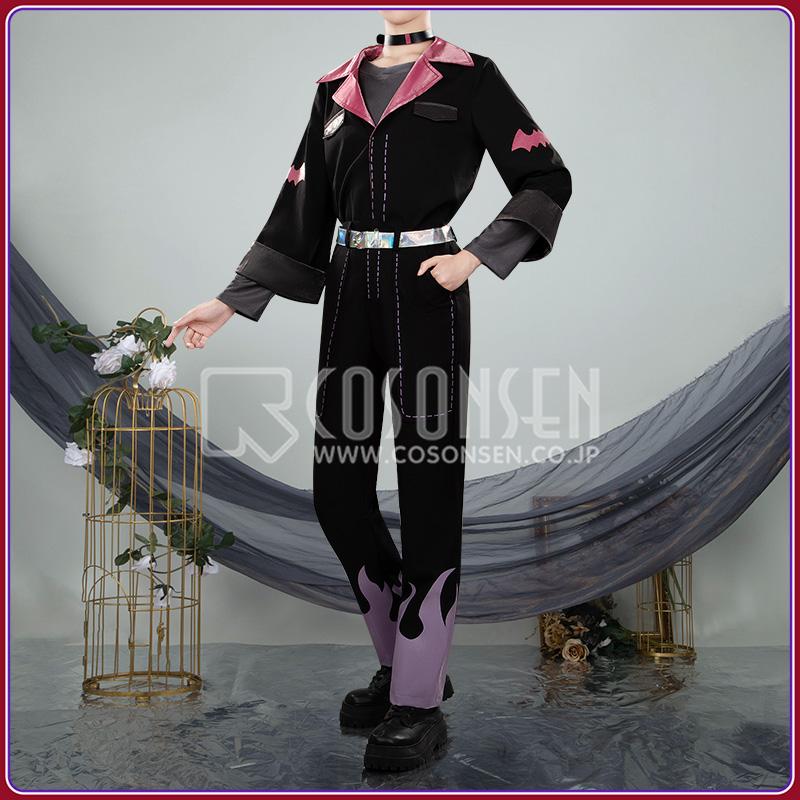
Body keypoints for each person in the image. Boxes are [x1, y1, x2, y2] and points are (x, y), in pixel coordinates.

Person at [166, 8, 572, 772]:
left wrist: (474, 257)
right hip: (349, 291)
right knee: (338, 491)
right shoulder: (335, 88)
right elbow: (301, 205)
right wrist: (230, 300)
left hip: (428, 291)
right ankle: (410, 666)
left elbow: (545, 175)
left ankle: (416, 701)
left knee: (428, 487)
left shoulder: (472, 78)